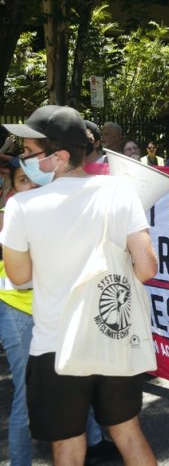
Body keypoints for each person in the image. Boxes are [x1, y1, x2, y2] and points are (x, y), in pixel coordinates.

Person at [1, 105, 158, 465]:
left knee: (67, 445)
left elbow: (20, 277)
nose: (20, 159)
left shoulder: (21, 206)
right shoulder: (120, 191)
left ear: (58, 156)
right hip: (113, 338)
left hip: (56, 346)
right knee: (128, 432)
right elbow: (147, 268)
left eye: (28, 152)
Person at [0, 161, 37, 466]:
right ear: (13, 188)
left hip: (52, 310)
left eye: (36, 180)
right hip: (17, 309)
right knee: (26, 396)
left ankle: (90, 444)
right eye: (24, 180)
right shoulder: (10, 215)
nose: (32, 186)